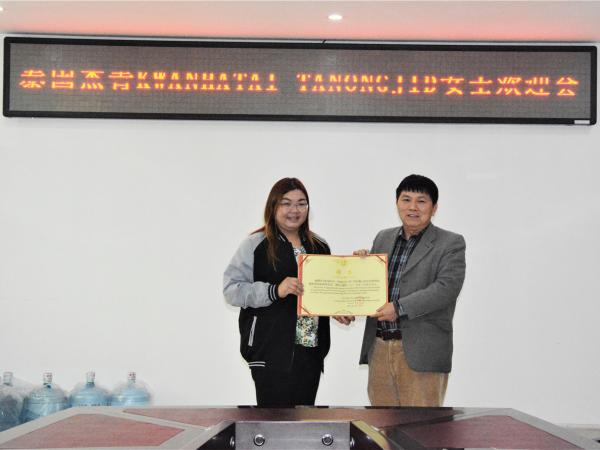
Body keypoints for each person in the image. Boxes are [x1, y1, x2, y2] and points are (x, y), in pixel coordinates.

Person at [337, 174, 466, 407]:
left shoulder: (450, 243)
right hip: (379, 347)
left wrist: (399, 308)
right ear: (397, 203)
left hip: (421, 353)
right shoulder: (383, 238)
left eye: (421, 201)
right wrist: (359, 270)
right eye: (406, 200)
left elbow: (446, 288)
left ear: (434, 208)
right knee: (381, 424)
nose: (413, 207)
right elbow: (371, 288)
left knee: (421, 426)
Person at [223, 177, 331, 407]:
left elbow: (325, 292)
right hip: (270, 353)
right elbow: (231, 290)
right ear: (273, 206)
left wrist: (339, 308)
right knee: (274, 423)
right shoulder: (255, 244)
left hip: (310, 353)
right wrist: (274, 290)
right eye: (286, 203)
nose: (295, 210)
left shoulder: (320, 246)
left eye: (301, 203)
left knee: (305, 423)